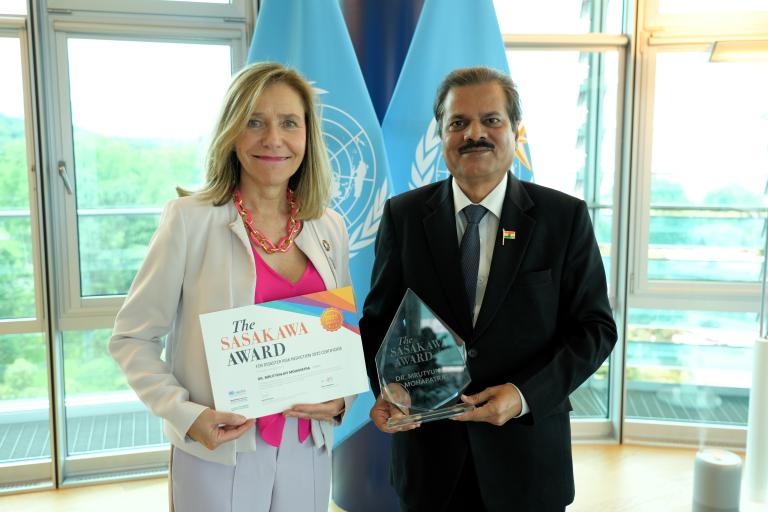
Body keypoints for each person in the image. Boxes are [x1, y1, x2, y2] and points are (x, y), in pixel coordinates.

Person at [359, 66, 618, 512]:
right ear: (440, 135)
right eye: (458, 122)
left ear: (516, 132)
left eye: (491, 120)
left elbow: (595, 329)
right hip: (429, 461)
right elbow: (379, 321)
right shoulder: (403, 216)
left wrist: (521, 396)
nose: (473, 133)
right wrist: (386, 389)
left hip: (528, 460)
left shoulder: (564, 218)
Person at [109, 62, 355, 512]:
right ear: (231, 133)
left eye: (289, 123)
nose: (273, 139)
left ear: (307, 136)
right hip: (219, 450)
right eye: (254, 122)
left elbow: (339, 334)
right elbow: (132, 339)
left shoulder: (329, 226)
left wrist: (342, 399)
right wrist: (188, 415)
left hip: (309, 450)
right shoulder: (189, 221)